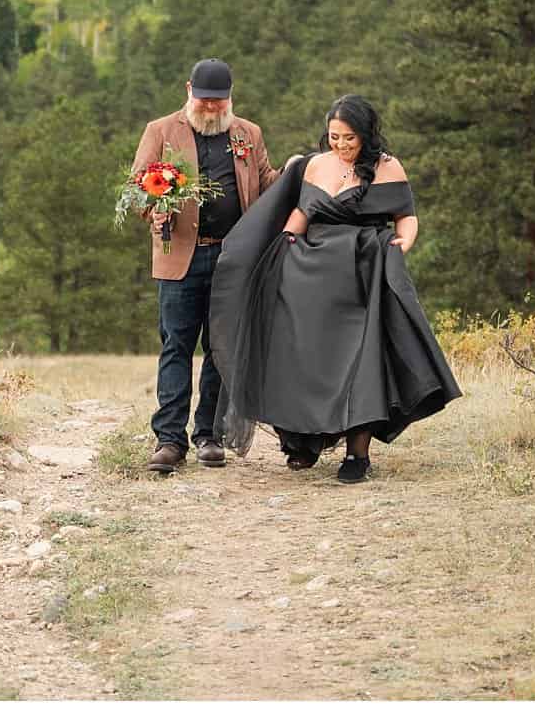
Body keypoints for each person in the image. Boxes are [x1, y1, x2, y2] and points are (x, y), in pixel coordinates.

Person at [209, 94, 461, 483]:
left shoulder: (388, 167)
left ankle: (356, 455)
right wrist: (284, 245)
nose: (341, 145)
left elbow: (406, 216)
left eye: (349, 139)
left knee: (361, 361)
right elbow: (302, 213)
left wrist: (402, 244)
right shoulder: (314, 165)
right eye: (334, 137)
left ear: (366, 135)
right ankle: (304, 442)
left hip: (362, 273)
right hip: (307, 274)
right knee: (304, 357)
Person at [129, 58, 280, 473]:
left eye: (219, 100)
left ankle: (209, 436)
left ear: (231, 97)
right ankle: (170, 440)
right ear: (188, 91)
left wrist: (301, 171)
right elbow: (137, 186)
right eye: (205, 99)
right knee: (177, 344)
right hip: (180, 255)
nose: (212, 107)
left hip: (234, 257)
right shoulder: (160, 131)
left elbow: (267, 183)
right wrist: (152, 211)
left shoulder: (248, 133)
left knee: (220, 347)